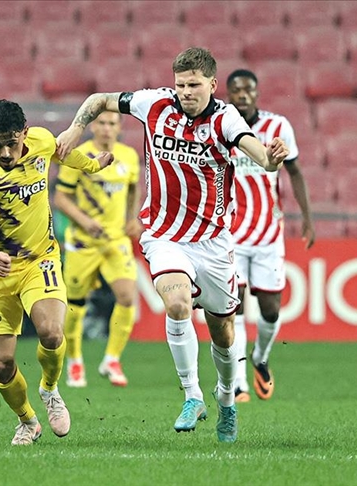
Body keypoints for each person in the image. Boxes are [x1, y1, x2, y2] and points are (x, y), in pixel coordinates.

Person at [56, 47, 289, 443]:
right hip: (164, 235)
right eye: (181, 84)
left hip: (213, 242)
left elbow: (255, 151)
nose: (185, 92)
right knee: (177, 303)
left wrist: (270, 159)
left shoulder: (225, 118)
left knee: (224, 333)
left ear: (212, 85)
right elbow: (99, 101)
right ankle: (192, 395)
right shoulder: (154, 103)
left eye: (194, 85)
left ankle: (226, 400)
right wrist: (74, 130)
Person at [0, 99, 113, 445]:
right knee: (1, 365)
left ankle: (50, 390)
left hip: (40, 260)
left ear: (25, 132)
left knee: (52, 333)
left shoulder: (39, 140)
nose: (6, 152)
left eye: (12, 141)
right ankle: (27, 420)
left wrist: (91, 166)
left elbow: (61, 152)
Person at [224, 69, 315, 403]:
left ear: (257, 93)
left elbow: (295, 172)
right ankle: (238, 382)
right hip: (230, 236)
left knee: (271, 310)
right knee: (232, 309)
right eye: (236, 90)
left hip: (267, 236)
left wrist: (307, 218)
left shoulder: (278, 127)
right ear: (228, 93)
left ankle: (260, 358)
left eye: (248, 89)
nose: (243, 95)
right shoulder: (221, 124)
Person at [54, 111, 142, 388]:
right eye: (101, 123)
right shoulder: (78, 155)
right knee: (76, 305)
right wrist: (85, 221)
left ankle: (112, 359)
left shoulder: (128, 156)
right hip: (83, 241)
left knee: (127, 296)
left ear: (119, 127)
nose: (106, 128)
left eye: (112, 123)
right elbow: (60, 197)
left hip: (115, 240)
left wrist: (132, 218)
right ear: (93, 126)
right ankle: (75, 362)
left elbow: (133, 188)